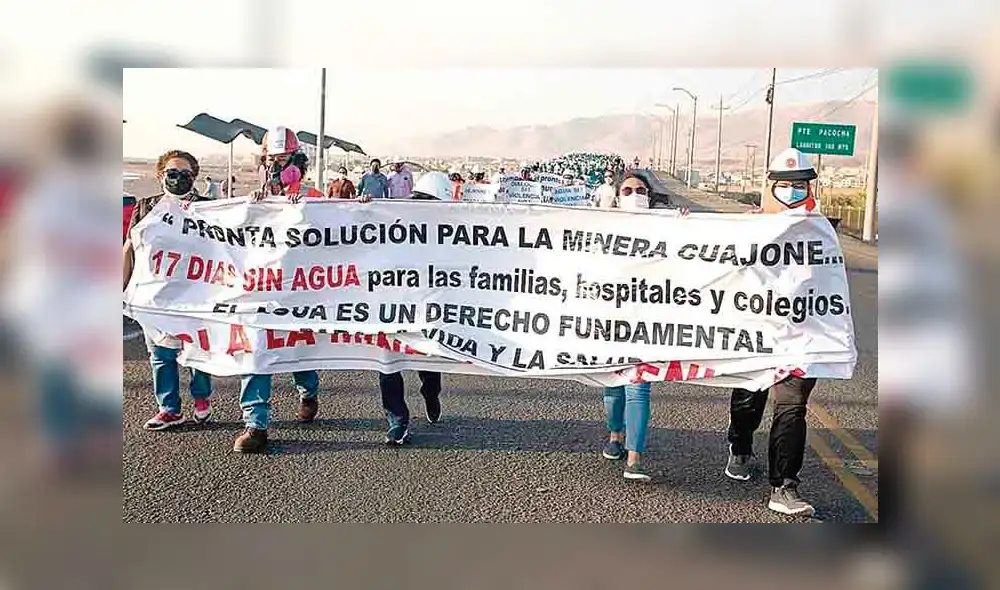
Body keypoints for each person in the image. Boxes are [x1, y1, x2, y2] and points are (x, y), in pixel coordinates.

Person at [236, 126, 365, 454]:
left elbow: (341, 229)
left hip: (301, 293)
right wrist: (252, 208)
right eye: (271, 160)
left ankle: (308, 391)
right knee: (257, 354)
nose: (277, 166)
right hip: (262, 291)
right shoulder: (256, 200)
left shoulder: (313, 198)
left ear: (297, 161)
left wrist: (361, 208)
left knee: (298, 351)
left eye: (284, 159)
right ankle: (256, 424)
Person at [724, 147, 821, 516]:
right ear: (771, 186)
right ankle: (740, 445)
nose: (792, 191)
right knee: (750, 398)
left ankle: (785, 486)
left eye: (799, 185)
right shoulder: (751, 225)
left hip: (801, 336)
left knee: (792, 408)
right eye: (784, 184)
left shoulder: (821, 231)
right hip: (756, 333)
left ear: (810, 187)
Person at [123, 150, 215, 430]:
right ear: (160, 175)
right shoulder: (145, 208)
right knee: (161, 354)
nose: (177, 179)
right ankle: (169, 408)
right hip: (157, 295)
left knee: (197, 351)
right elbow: (130, 248)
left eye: (184, 174)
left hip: (197, 294)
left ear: (194, 176)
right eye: (171, 173)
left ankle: (202, 397)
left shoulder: (210, 208)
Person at [377, 171, 452, 444]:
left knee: (429, 362)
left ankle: (431, 394)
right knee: (388, 364)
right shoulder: (397, 225)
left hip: (429, 309)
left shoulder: (451, 234)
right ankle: (397, 422)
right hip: (395, 307)